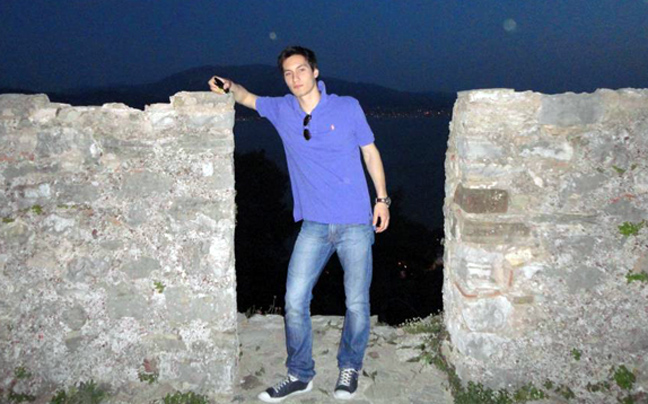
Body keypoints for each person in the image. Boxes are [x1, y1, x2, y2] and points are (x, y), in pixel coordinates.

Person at [208, 45, 390, 402]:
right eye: (288, 73)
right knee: (294, 300)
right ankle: (300, 374)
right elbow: (246, 98)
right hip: (314, 226)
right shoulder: (283, 110)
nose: (295, 78)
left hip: (355, 222)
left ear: (315, 72)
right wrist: (228, 85)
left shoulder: (347, 107)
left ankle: (350, 367)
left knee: (356, 303)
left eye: (301, 70)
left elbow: (370, 151)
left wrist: (381, 199)